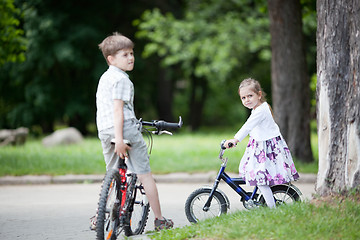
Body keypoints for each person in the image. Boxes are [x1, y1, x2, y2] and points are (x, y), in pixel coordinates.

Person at [90, 32, 173, 231]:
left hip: (104, 129)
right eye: (125, 55)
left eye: (131, 53)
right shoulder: (122, 80)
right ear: (111, 59)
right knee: (145, 174)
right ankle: (159, 220)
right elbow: (119, 110)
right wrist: (120, 139)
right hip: (124, 128)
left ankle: (99, 216)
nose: (130, 58)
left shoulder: (105, 77)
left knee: (111, 173)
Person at [224, 78, 299, 208]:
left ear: (259, 95)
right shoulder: (257, 109)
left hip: (267, 150)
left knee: (261, 181)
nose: (247, 100)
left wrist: (235, 140)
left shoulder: (261, 110)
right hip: (260, 148)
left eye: (250, 96)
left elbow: (247, 126)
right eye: (243, 98)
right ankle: (264, 203)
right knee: (257, 177)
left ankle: (272, 209)